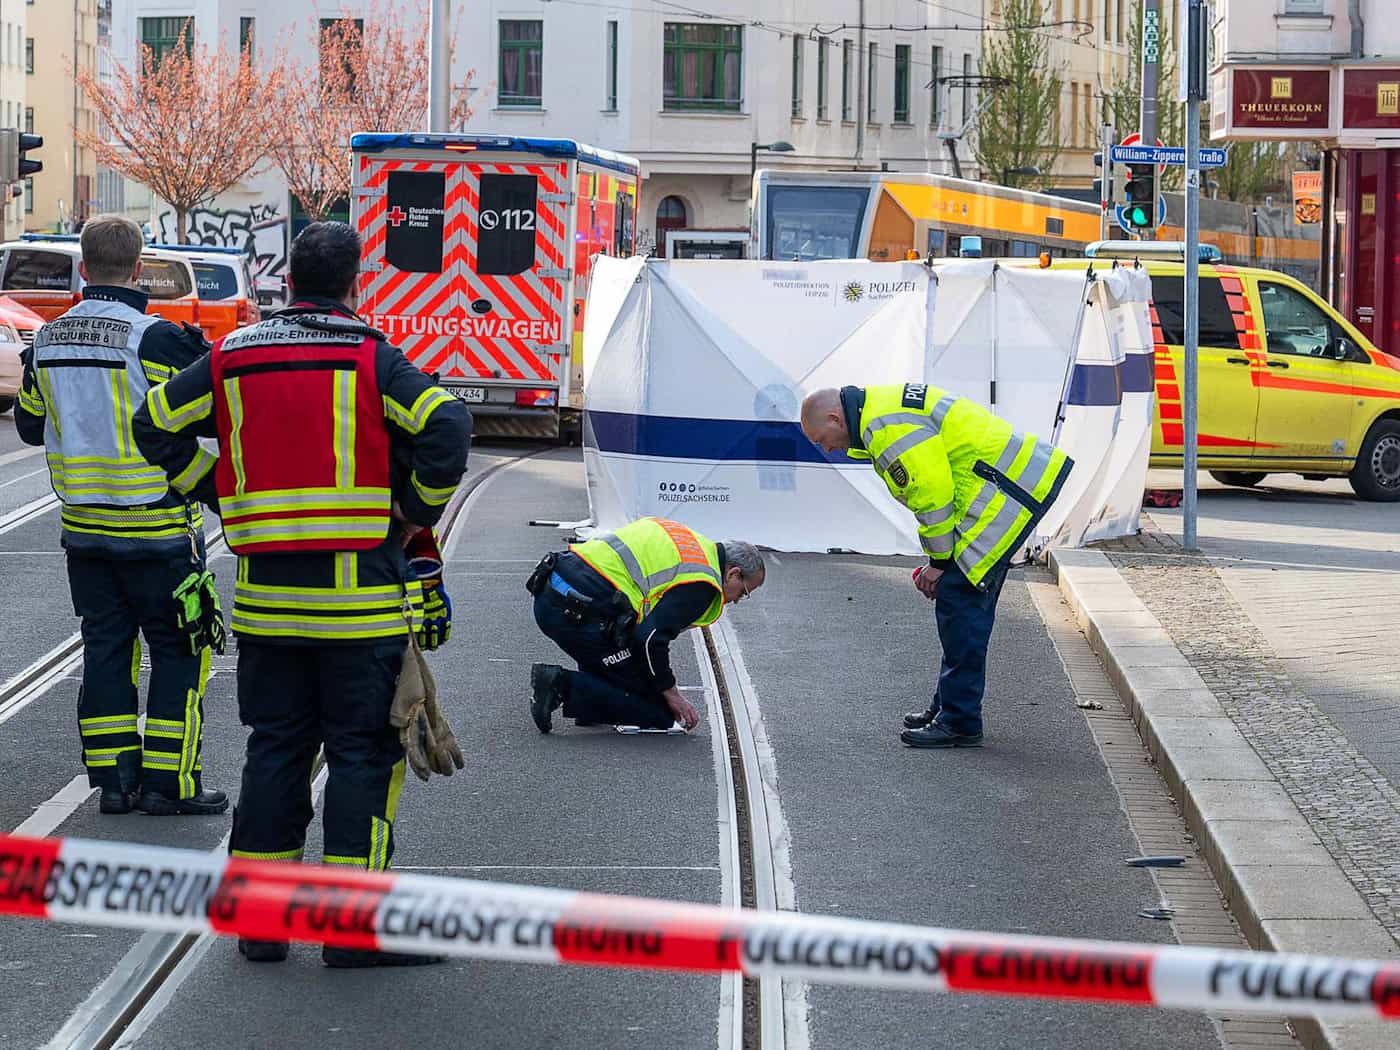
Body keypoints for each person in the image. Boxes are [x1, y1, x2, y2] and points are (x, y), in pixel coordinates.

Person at [133, 222, 471, 967]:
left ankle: (261, 923)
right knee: (362, 756)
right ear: (355, 284)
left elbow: (152, 421)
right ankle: (351, 935)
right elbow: (446, 424)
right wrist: (414, 510)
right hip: (359, 612)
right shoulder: (370, 356)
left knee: (276, 749)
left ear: (288, 282)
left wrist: (218, 493)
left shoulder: (230, 354)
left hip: (267, 610)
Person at [15, 214, 227, 817]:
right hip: (158, 530)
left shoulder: (49, 340)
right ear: (140, 270)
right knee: (180, 651)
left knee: (106, 650)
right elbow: (205, 415)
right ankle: (169, 783)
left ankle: (113, 782)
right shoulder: (155, 340)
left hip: (85, 534)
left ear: (83, 270)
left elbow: (31, 427)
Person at [799, 384, 1073, 749]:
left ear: (835, 418)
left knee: (961, 608)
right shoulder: (880, 407)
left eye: (823, 438)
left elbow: (932, 495)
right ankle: (948, 706)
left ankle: (959, 720)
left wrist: (938, 563)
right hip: (1007, 485)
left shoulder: (884, 428)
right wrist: (939, 562)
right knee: (960, 606)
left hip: (1001, 496)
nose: (827, 448)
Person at [528, 517, 765, 733]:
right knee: (658, 710)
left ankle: (590, 700)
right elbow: (650, 639)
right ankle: (559, 685)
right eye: (744, 593)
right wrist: (671, 693)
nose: (736, 600)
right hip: (576, 613)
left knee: (625, 656)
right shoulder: (702, 583)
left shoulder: (691, 541)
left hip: (553, 590)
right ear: (733, 573)